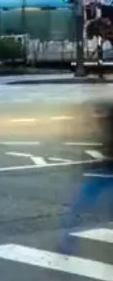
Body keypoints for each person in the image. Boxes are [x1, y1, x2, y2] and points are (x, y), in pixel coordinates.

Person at [61, 101, 113, 250]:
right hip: (105, 169)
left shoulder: (108, 127)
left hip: (105, 169)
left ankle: (68, 237)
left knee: (84, 200)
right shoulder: (106, 128)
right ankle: (68, 237)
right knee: (85, 199)